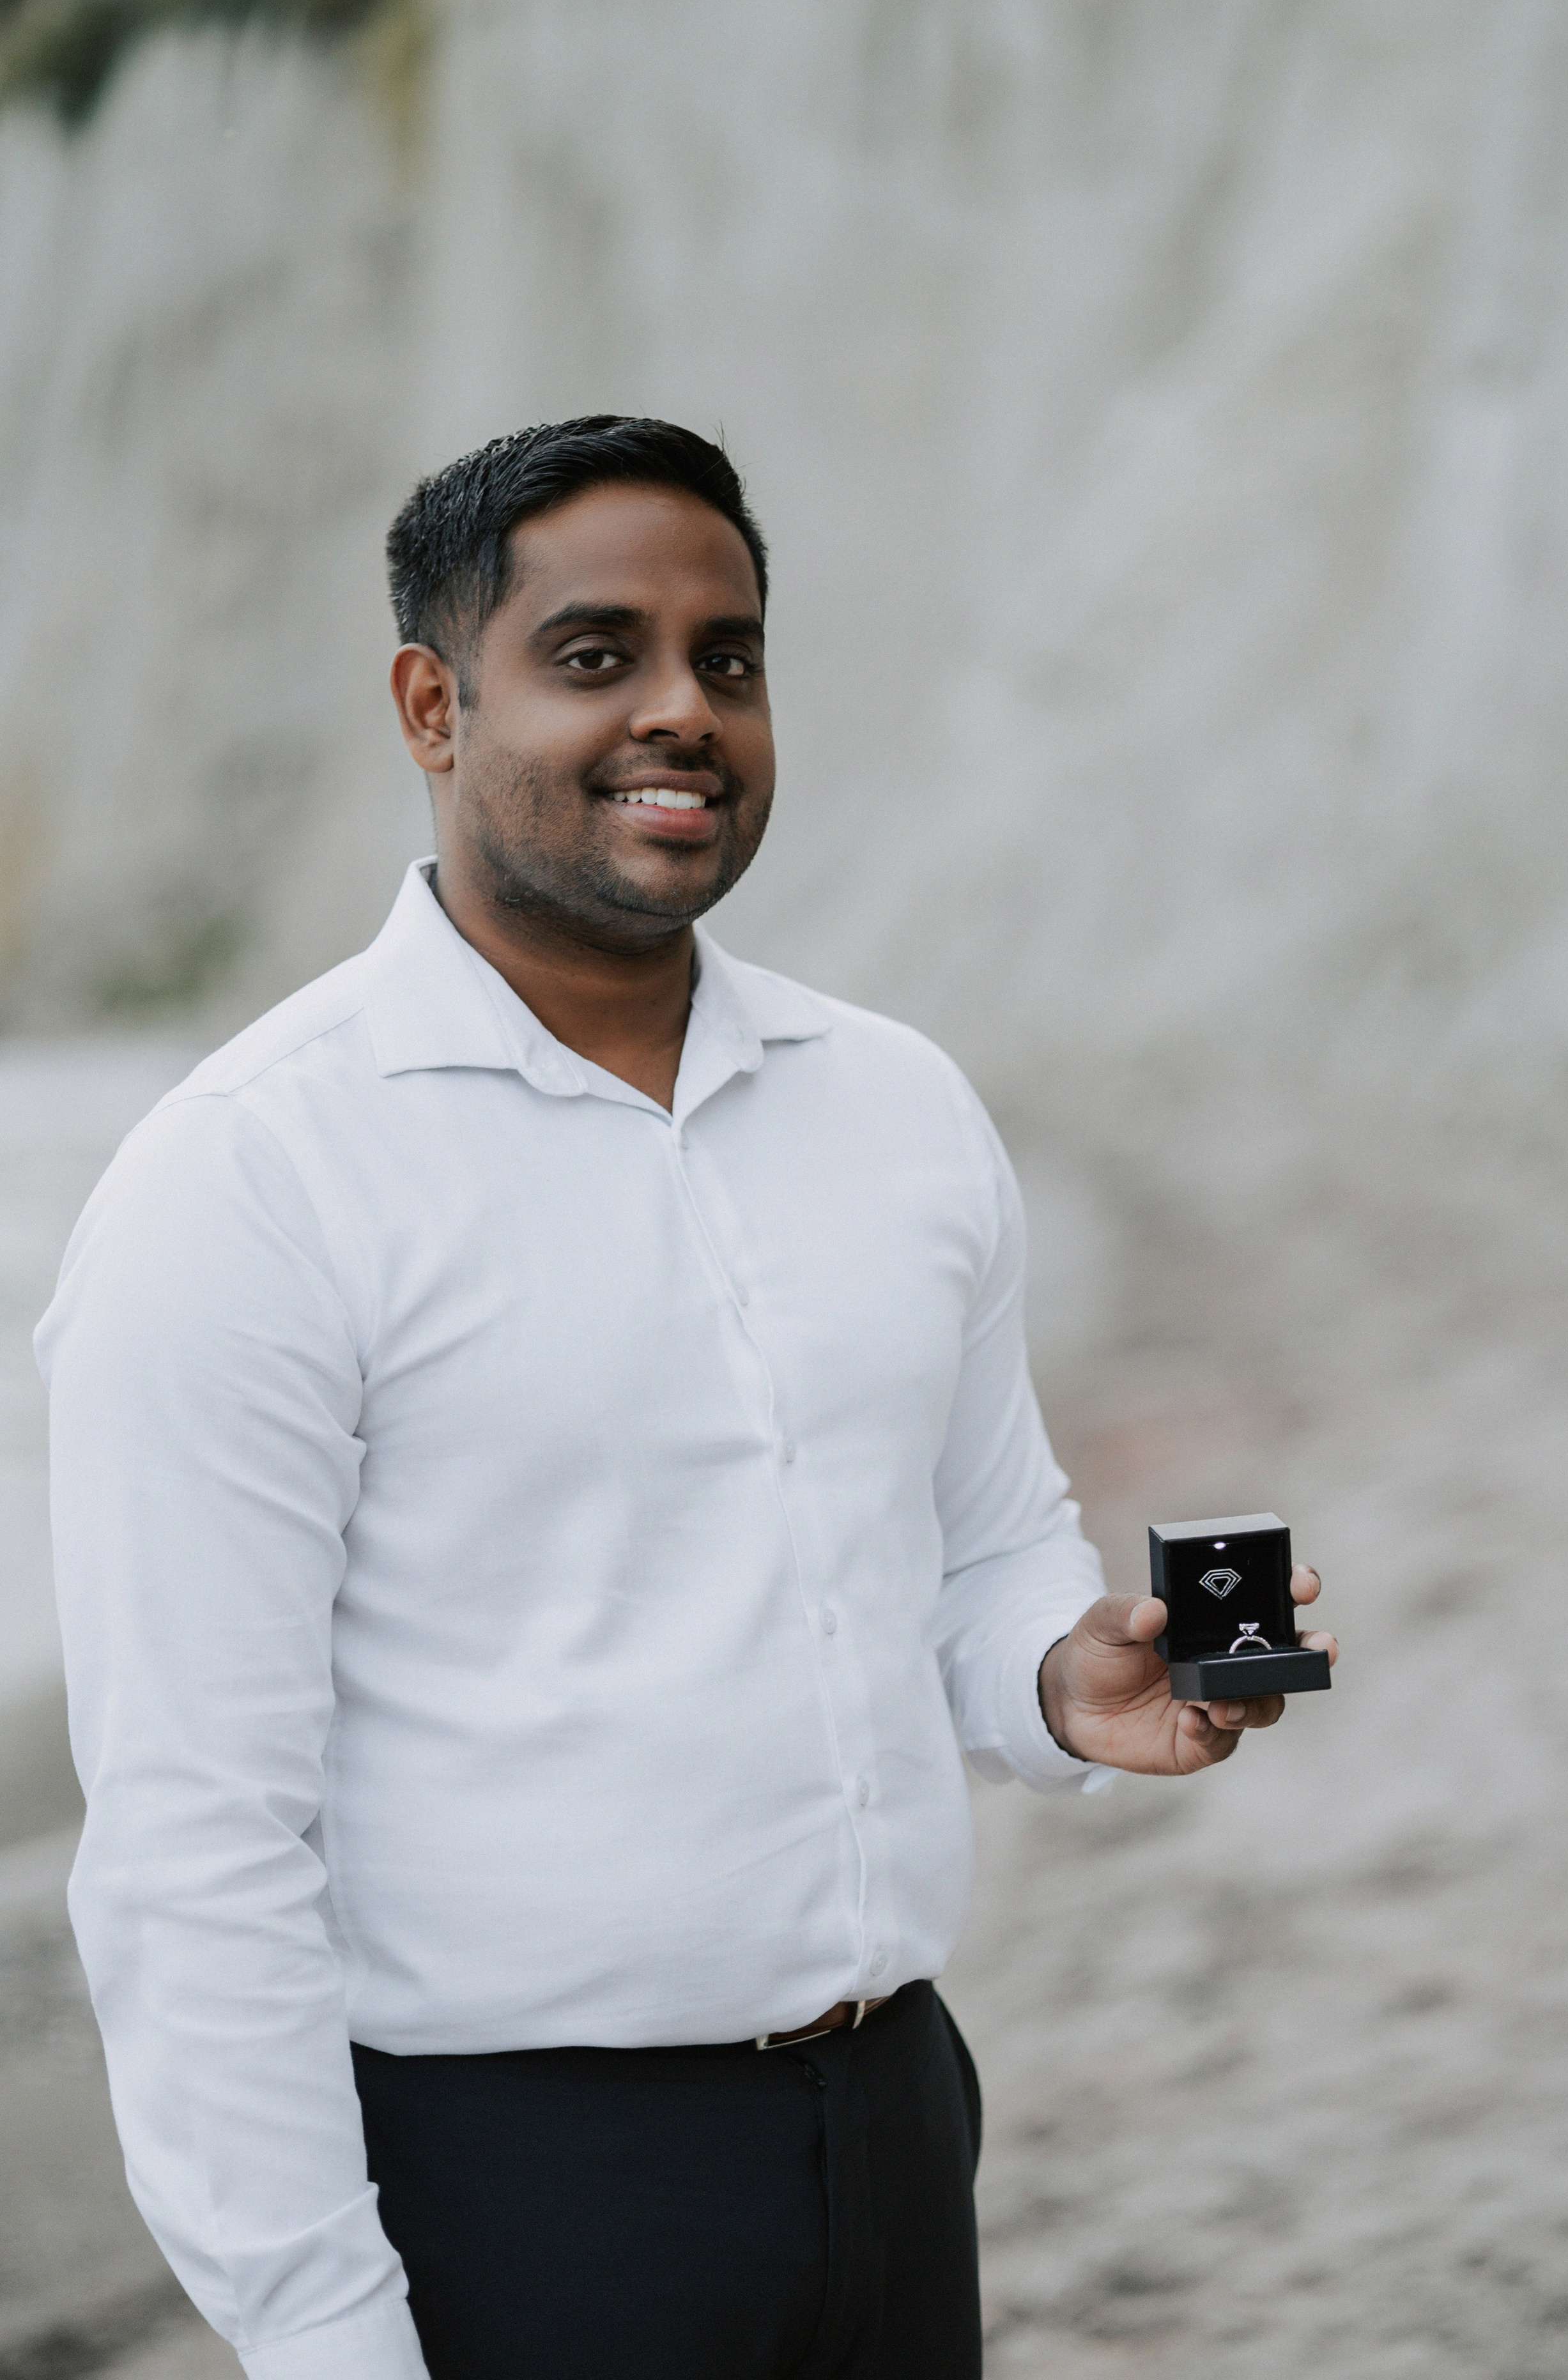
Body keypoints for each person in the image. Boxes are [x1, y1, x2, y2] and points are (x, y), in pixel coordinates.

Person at [37, 416, 1335, 2380]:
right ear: (429, 702)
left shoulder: (898, 1108)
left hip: (898, 2128)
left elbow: (981, 1550)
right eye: (594, 655)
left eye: (727, 657)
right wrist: (321, 2339)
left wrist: (1059, 1693)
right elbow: (189, 1851)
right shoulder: (244, 1187)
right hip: (511, 2191)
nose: (683, 712)